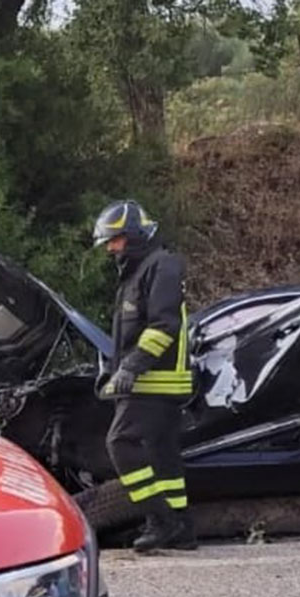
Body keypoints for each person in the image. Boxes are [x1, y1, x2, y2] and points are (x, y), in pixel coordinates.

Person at [92, 199, 197, 553]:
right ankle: (181, 527)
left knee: (120, 443)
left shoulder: (161, 266)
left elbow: (164, 326)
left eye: (116, 239)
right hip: (150, 381)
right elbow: (128, 335)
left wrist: (131, 367)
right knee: (162, 454)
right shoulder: (138, 273)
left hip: (155, 381)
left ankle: (160, 520)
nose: (111, 248)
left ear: (135, 234)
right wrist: (111, 371)